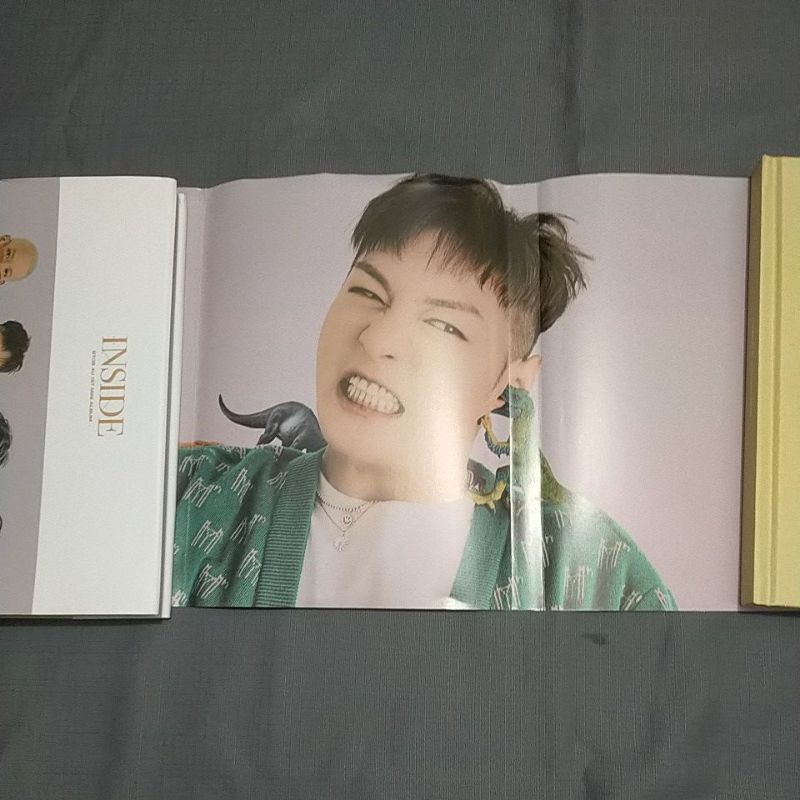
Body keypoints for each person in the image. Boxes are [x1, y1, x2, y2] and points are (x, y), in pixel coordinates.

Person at [173, 174, 676, 611]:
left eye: (443, 326)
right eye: (367, 292)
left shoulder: (593, 571)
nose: (378, 339)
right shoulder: (189, 492)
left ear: (511, 383)